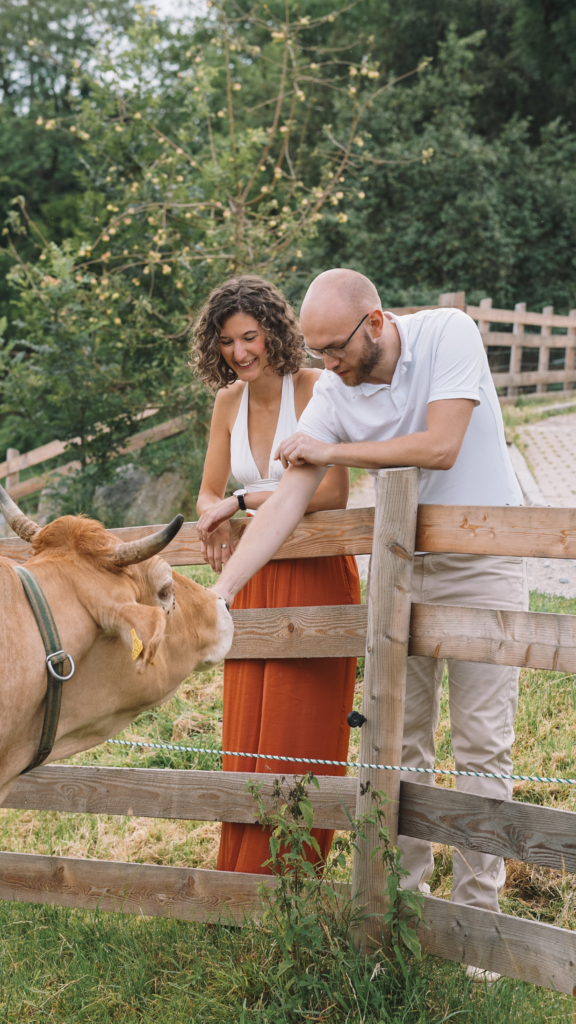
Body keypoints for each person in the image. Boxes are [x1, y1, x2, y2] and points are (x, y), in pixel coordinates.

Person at [209, 267, 527, 918]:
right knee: (398, 741)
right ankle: (405, 904)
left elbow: (440, 446)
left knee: (482, 743)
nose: (327, 365)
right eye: (318, 351)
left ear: (375, 324)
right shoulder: (335, 387)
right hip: (400, 568)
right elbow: (288, 501)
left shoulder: (448, 335)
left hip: (482, 561)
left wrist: (335, 450)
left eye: (336, 349)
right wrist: (223, 589)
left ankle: (478, 917)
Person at [192, 274, 361, 875]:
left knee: (299, 724)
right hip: (254, 579)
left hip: (315, 572)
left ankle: (291, 878)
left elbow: (333, 490)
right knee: (248, 725)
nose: (240, 352)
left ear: (274, 332)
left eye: (250, 336)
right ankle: (239, 876)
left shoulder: (316, 386)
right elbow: (208, 490)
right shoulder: (226, 404)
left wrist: (240, 504)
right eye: (227, 342)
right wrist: (216, 518)